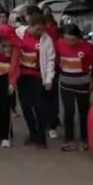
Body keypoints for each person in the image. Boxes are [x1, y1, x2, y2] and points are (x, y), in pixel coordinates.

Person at [9, 11, 56, 147]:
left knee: (39, 107)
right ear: (30, 25)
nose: (40, 32)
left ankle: (41, 137)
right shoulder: (19, 33)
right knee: (25, 106)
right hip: (22, 76)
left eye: (42, 29)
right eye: (38, 29)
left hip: (37, 77)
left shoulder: (46, 40)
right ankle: (33, 133)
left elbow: (50, 60)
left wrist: (49, 79)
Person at [55, 24, 93, 152]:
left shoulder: (87, 47)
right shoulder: (59, 44)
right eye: (67, 39)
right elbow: (55, 59)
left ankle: (84, 139)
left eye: (72, 40)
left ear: (78, 37)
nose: (69, 42)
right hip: (66, 82)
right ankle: (68, 139)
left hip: (83, 83)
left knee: (83, 111)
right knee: (69, 111)